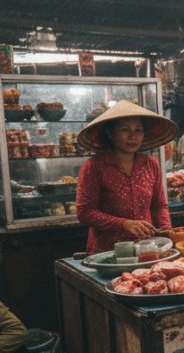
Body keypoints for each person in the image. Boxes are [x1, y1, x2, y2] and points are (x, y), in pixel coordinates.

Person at [75, 100, 177, 254]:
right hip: (108, 253)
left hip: (147, 249)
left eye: (139, 130)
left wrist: (166, 232)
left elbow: (159, 206)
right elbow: (85, 212)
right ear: (110, 133)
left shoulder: (150, 164)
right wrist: (124, 224)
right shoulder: (94, 166)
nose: (133, 136)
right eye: (125, 130)